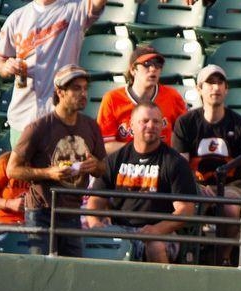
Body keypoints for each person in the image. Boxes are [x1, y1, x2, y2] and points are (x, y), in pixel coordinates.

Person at [172, 65, 241, 255]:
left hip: (231, 186)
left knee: (231, 207)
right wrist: (196, 189)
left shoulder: (240, 125)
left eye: (220, 83)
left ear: (226, 89)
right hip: (197, 187)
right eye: (210, 83)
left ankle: (220, 260)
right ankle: (186, 254)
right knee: (184, 204)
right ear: (199, 88)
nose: (215, 88)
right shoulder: (185, 123)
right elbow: (181, 167)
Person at [7, 65, 105, 257]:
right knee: (41, 271)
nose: (83, 93)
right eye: (76, 88)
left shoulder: (91, 126)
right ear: (60, 92)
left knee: (72, 272)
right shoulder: (39, 127)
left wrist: (95, 165)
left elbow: (102, 169)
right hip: (42, 211)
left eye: (85, 88)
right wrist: (47, 173)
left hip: (72, 210)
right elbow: (12, 170)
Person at [84, 103, 198, 263]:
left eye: (156, 122)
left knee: (155, 245)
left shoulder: (174, 162)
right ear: (131, 125)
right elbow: (95, 200)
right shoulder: (115, 159)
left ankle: (162, 288)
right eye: (144, 121)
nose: (151, 126)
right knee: (89, 240)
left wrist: (156, 230)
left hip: (161, 232)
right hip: (119, 231)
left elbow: (186, 210)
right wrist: (95, 223)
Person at [0, 0, 111, 138]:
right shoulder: (17, 17)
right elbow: (0, 63)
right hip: (23, 115)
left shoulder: (75, 8)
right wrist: (7, 67)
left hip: (60, 117)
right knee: (20, 160)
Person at [97, 44, 188, 154]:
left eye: (158, 65)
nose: (153, 69)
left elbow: (185, 137)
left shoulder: (172, 96)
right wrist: (142, 149)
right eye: (147, 64)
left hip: (162, 164)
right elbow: (105, 145)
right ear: (133, 70)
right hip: (126, 166)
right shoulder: (112, 99)